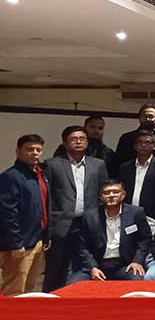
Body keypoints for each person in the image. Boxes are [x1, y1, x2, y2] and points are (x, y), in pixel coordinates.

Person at [44, 125, 109, 292]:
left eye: (82, 139)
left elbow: (104, 193)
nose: (79, 142)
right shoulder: (53, 165)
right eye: (74, 139)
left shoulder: (98, 164)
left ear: (87, 142)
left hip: (89, 223)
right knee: (56, 268)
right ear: (65, 143)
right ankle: (50, 302)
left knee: (87, 266)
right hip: (62, 224)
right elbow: (47, 197)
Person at [70, 179, 151, 282]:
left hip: (125, 264)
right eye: (106, 193)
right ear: (101, 196)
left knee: (137, 281)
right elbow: (82, 246)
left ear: (123, 195)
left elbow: (145, 239)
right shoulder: (90, 216)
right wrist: (92, 267)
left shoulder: (136, 213)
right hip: (98, 264)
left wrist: (137, 261)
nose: (111, 195)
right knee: (73, 284)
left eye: (116, 192)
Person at [0, 134, 50, 296]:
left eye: (38, 150)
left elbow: (42, 207)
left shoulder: (39, 174)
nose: (35, 153)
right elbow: (8, 213)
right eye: (29, 149)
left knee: (30, 290)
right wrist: (15, 243)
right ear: (18, 151)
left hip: (37, 241)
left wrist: (45, 237)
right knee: (14, 290)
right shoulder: (10, 177)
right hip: (19, 245)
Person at [118, 129, 155, 221]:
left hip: (152, 217)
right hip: (127, 216)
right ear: (135, 146)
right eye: (140, 142)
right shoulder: (125, 168)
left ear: (154, 146)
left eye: (147, 142)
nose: (143, 145)